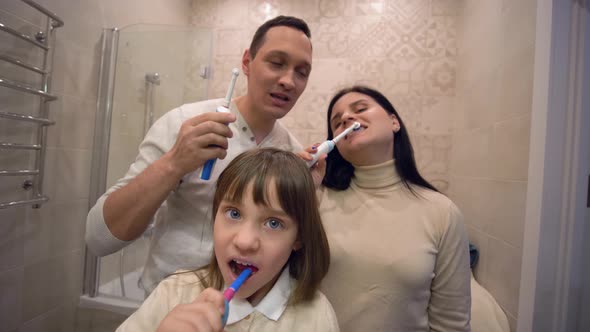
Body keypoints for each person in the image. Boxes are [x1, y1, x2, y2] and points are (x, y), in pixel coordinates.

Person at [86, 16, 314, 292]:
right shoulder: (185, 123)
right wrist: (174, 163)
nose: (289, 81)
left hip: (243, 312)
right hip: (169, 305)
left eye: (301, 72)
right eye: (276, 63)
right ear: (246, 62)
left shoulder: (291, 153)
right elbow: (99, 238)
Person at [302, 85, 471, 331]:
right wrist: (296, 186)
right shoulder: (316, 200)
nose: (347, 118)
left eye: (360, 109)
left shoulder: (442, 213)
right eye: (337, 123)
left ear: (394, 122)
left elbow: (452, 323)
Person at [116, 148, 338, 332]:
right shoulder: (174, 292)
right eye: (234, 213)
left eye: (273, 223)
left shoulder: (316, 316)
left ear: (298, 238)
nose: (244, 241)